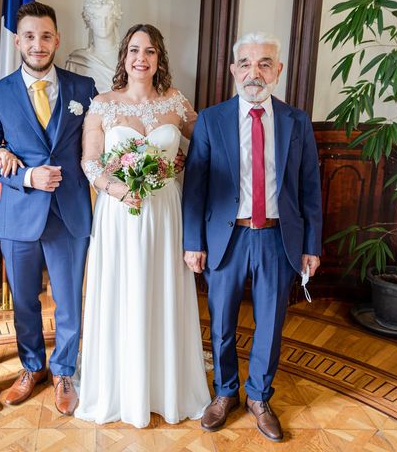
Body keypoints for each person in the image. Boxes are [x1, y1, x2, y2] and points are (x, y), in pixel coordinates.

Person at [182, 32, 322, 440]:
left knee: (270, 324)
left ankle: (259, 395)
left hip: (278, 239)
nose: (253, 72)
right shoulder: (211, 120)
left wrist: (312, 245)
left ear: (278, 71)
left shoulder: (296, 122)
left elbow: (310, 187)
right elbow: (195, 186)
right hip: (227, 238)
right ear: (232, 70)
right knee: (222, 322)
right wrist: (194, 241)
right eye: (245, 63)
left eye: (264, 64)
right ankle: (225, 393)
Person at [75, 23, 211, 428]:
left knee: (162, 290)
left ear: (159, 59)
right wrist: (115, 190)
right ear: (124, 57)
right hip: (120, 215)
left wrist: (182, 162)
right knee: (123, 289)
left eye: (149, 51)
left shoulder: (177, 103)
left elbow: (206, 140)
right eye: (134, 50)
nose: (141, 58)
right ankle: (120, 389)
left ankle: (164, 388)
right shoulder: (103, 104)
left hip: (165, 211)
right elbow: (90, 162)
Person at [0, 1, 97, 416]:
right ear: (18, 41)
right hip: (19, 212)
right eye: (29, 36)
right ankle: (32, 367)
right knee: (24, 300)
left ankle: (64, 370)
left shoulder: (85, 89)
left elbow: (98, 144)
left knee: (68, 298)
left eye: (46, 36)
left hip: (70, 212)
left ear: (57, 40)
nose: (38, 44)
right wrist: (24, 175)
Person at [64, 0, 122, 92]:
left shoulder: (128, 56)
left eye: (108, 18)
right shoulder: (77, 60)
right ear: (89, 21)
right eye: (97, 18)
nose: (103, 24)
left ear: (115, 20)